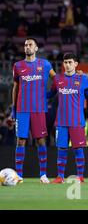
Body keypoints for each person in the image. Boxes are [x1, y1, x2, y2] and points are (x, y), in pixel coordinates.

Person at [8, 38, 57, 183]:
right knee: (21, 141)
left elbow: (57, 80)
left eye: (30, 45)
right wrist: (13, 108)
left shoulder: (45, 64)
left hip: (39, 109)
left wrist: (51, 93)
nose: (27, 47)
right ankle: (19, 176)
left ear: (36, 48)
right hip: (22, 109)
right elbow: (15, 88)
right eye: (25, 45)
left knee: (41, 141)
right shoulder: (18, 66)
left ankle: (43, 175)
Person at [46, 53, 88, 183]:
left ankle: (80, 176)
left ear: (75, 64)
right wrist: (35, 92)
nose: (67, 65)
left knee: (78, 149)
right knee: (62, 149)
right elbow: (50, 94)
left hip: (77, 121)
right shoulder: (57, 79)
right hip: (61, 122)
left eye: (70, 62)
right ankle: (60, 177)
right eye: (65, 62)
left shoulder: (83, 79)